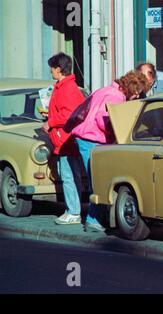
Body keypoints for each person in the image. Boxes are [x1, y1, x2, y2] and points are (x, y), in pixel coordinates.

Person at [72, 71, 150, 232]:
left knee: (98, 179)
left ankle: (98, 219)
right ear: (130, 87)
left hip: (85, 136)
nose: (136, 96)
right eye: (136, 92)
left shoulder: (106, 90)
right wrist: (118, 132)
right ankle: (93, 220)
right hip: (93, 138)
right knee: (100, 181)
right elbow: (104, 120)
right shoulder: (117, 98)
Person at [43, 52, 85, 225]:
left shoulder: (67, 88)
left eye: (52, 68)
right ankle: (73, 209)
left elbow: (69, 114)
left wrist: (50, 121)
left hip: (66, 138)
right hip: (66, 138)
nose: (51, 71)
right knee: (71, 174)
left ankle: (73, 211)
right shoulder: (66, 86)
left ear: (58, 69)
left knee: (69, 175)